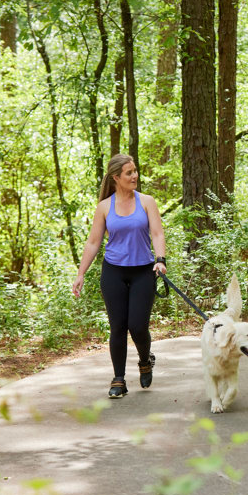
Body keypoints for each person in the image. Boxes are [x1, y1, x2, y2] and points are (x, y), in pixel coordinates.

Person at [72, 154, 167, 399]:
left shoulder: (146, 201)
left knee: (137, 326)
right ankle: (119, 379)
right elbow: (93, 242)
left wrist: (160, 260)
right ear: (116, 177)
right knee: (117, 327)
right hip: (113, 271)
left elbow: (157, 233)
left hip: (143, 271)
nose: (134, 176)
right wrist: (81, 273)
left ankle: (145, 361)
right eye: (129, 173)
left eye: (135, 171)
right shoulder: (105, 207)